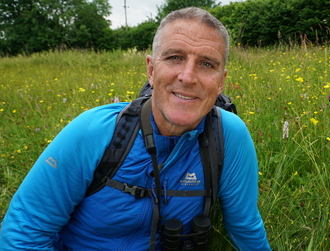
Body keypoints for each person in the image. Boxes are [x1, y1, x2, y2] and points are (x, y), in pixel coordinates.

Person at [0, 7, 271, 251]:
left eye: (207, 64)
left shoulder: (229, 135)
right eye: (175, 57)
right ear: (151, 70)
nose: (188, 77)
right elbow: (24, 234)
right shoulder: (94, 131)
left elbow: (245, 228)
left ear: (221, 82)